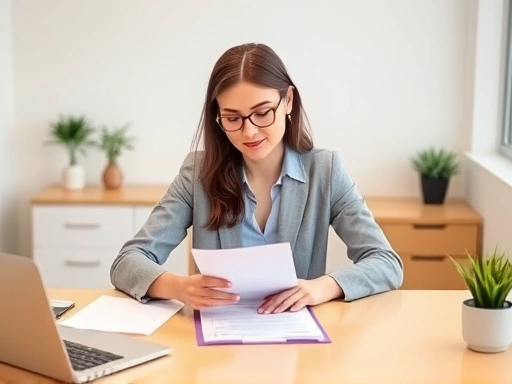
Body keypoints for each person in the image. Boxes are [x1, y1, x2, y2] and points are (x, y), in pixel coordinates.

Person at [110, 43, 403, 314]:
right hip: (218, 342)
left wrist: (320, 288)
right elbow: (128, 261)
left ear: (288, 101)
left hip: (299, 343)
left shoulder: (325, 170)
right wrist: (179, 287)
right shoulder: (198, 173)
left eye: (262, 113)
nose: (249, 132)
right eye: (233, 118)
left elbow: (386, 263)